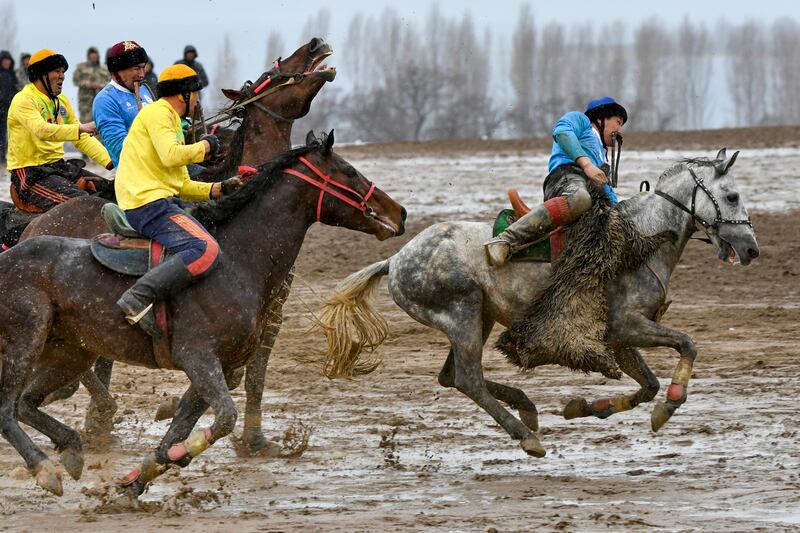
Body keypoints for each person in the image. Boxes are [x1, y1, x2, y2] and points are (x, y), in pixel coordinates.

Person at [114, 64, 239, 337]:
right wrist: (206, 146)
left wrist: (217, 189)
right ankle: (137, 297)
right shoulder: (159, 113)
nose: (197, 101)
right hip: (148, 205)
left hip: (159, 201)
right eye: (195, 94)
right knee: (206, 249)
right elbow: (172, 156)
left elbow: (180, 184)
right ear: (183, 94)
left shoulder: (171, 121)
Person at [485, 96, 627, 267]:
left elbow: (607, 190)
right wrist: (587, 164)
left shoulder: (601, 154)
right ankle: (505, 240)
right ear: (600, 117)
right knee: (580, 198)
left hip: (593, 192)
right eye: (618, 122)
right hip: (565, 178)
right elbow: (562, 132)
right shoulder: (581, 120)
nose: (620, 130)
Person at [6, 49, 113, 212]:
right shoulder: (23, 99)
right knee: (84, 206)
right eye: (57, 71)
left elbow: (81, 138)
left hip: (59, 167)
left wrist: (113, 162)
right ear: (41, 74)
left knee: (114, 192)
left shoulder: (61, 101)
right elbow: (41, 130)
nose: (62, 76)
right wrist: (81, 128)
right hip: (31, 173)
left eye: (63, 71)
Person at [93, 40, 154, 168]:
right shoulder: (105, 100)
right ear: (118, 70)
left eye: (143, 67)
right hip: (137, 175)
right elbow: (121, 151)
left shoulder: (144, 90)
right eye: (136, 68)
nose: (142, 74)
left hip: (161, 166)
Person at [72, 46, 110, 123]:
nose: (93, 57)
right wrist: (90, 84)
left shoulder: (104, 68)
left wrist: (103, 86)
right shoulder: (81, 67)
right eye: (91, 55)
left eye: (95, 54)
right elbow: (76, 81)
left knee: (101, 120)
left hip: (101, 99)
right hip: (86, 101)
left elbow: (110, 81)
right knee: (86, 122)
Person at [0, 50, 17, 165]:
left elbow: (15, 90)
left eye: (8, 60)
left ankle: (2, 156)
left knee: (4, 133)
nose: (6, 62)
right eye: (4, 60)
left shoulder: (12, 75)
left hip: (8, 108)